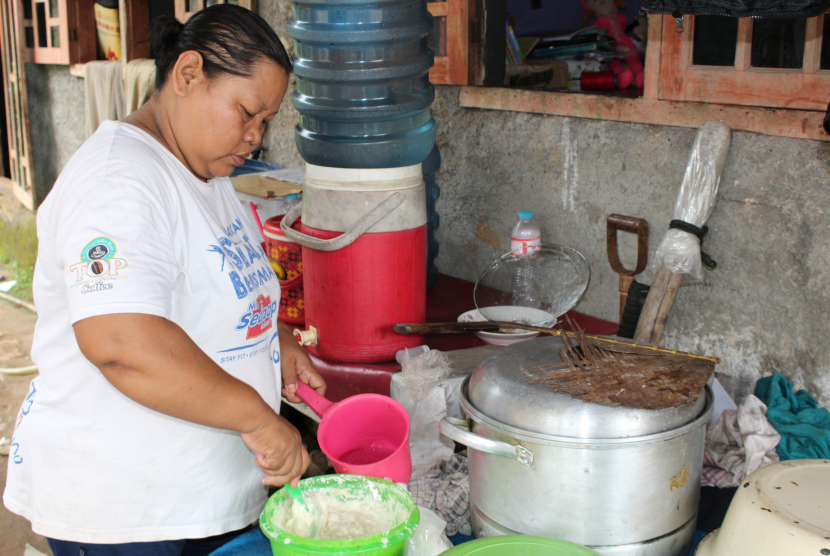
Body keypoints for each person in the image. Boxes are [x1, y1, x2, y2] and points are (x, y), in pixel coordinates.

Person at [3, 5, 326, 555]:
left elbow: (211, 285)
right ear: (187, 74)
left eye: (266, 121)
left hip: (194, 500)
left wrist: (274, 340)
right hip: (128, 513)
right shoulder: (119, 182)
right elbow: (123, 344)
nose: (255, 136)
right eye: (247, 112)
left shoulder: (203, 165)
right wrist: (258, 416)